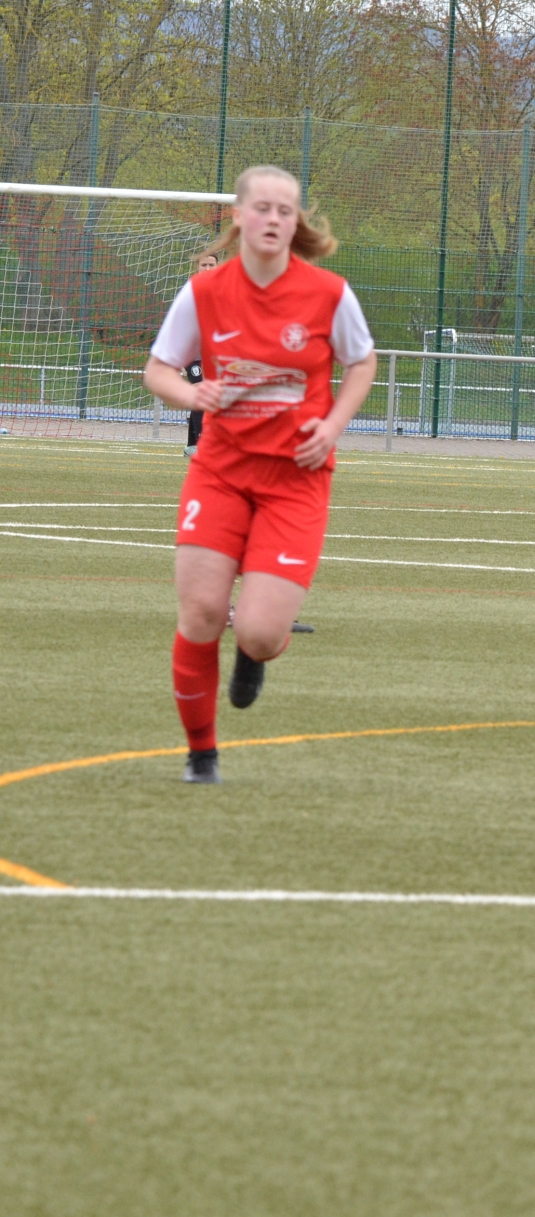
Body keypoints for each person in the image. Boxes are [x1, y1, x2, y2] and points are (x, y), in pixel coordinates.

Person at [141, 165, 376, 783]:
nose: (273, 219)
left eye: (285, 210)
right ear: (239, 215)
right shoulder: (205, 291)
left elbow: (362, 363)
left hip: (296, 480)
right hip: (220, 472)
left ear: (296, 223)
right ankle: (202, 754)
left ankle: (253, 651)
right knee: (200, 612)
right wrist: (192, 395)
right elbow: (159, 370)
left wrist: (332, 425)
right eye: (263, 208)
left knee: (262, 632)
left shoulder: (329, 294)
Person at [181, 250, 220, 456]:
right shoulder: (190, 290)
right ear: (197, 267)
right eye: (203, 265)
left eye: (211, 265)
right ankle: (201, 444)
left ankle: (191, 445)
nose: (207, 268)